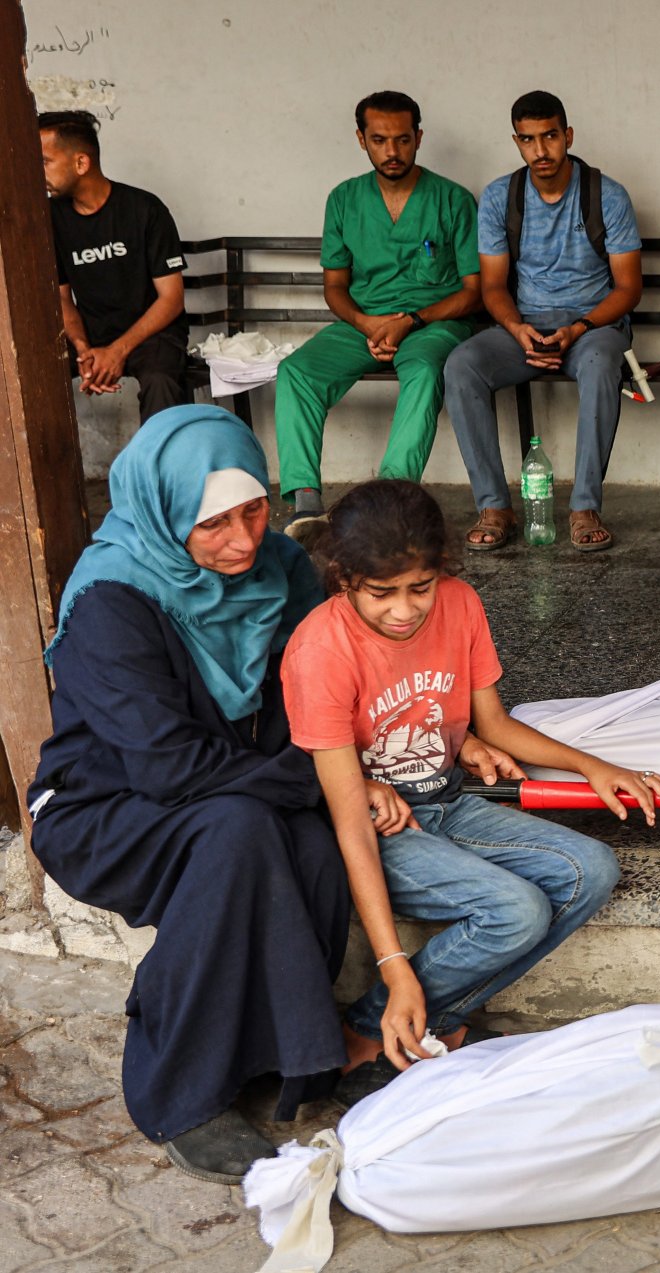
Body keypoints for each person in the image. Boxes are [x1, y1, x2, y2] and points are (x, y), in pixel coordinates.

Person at [26, 407, 345, 1183]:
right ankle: (178, 1089)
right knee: (245, 832)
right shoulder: (113, 596)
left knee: (314, 844)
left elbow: (321, 692)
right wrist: (317, 777)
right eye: (212, 523)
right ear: (166, 511)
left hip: (231, 788)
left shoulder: (281, 568)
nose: (241, 539)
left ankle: (276, 1058)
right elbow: (165, 765)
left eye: (254, 509)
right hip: (104, 804)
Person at [280, 479, 658, 1105]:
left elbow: (496, 725)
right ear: (343, 577)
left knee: (593, 867)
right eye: (382, 594)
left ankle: (392, 1023)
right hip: (375, 830)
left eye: (418, 588)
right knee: (515, 910)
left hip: (445, 802)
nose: (405, 610)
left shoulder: (460, 604)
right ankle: (395, 1021)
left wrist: (593, 766)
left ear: (440, 572)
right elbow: (349, 822)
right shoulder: (321, 649)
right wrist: (392, 962)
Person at [444, 90, 643, 553]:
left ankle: (584, 507)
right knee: (461, 365)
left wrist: (578, 328)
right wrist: (517, 330)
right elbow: (492, 286)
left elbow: (628, 288)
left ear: (567, 135)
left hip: (593, 329)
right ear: (516, 141)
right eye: (529, 140)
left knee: (598, 366)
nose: (541, 150)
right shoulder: (500, 197)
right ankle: (495, 506)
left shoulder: (605, 195)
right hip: (525, 328)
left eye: (550, 136)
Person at [275, 91, 482, 518]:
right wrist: (366, 324)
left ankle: (390, 498)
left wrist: (411, 320)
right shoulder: (344, 200)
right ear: (361, 139)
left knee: (425, 371)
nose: (392, 151)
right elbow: (335, 286)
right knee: (296, 372)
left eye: (403, 139)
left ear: (419, 137)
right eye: (380, 139)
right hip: (363, 323)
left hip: (432, 324)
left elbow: (473, 291)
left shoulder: (452, 199)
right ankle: (307, 503)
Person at [39, 110, 189, 421]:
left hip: (152, 333)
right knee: (30, 371)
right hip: (92, 334)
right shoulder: (50, 218)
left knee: (161, 381)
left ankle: (153, 470)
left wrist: (117, 351)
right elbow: (63, 298)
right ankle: (44, 471)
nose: (36, 172)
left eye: (44, 162)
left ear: (81, 163)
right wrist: (82, 348)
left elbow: (171, 299)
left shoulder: (144, 209)